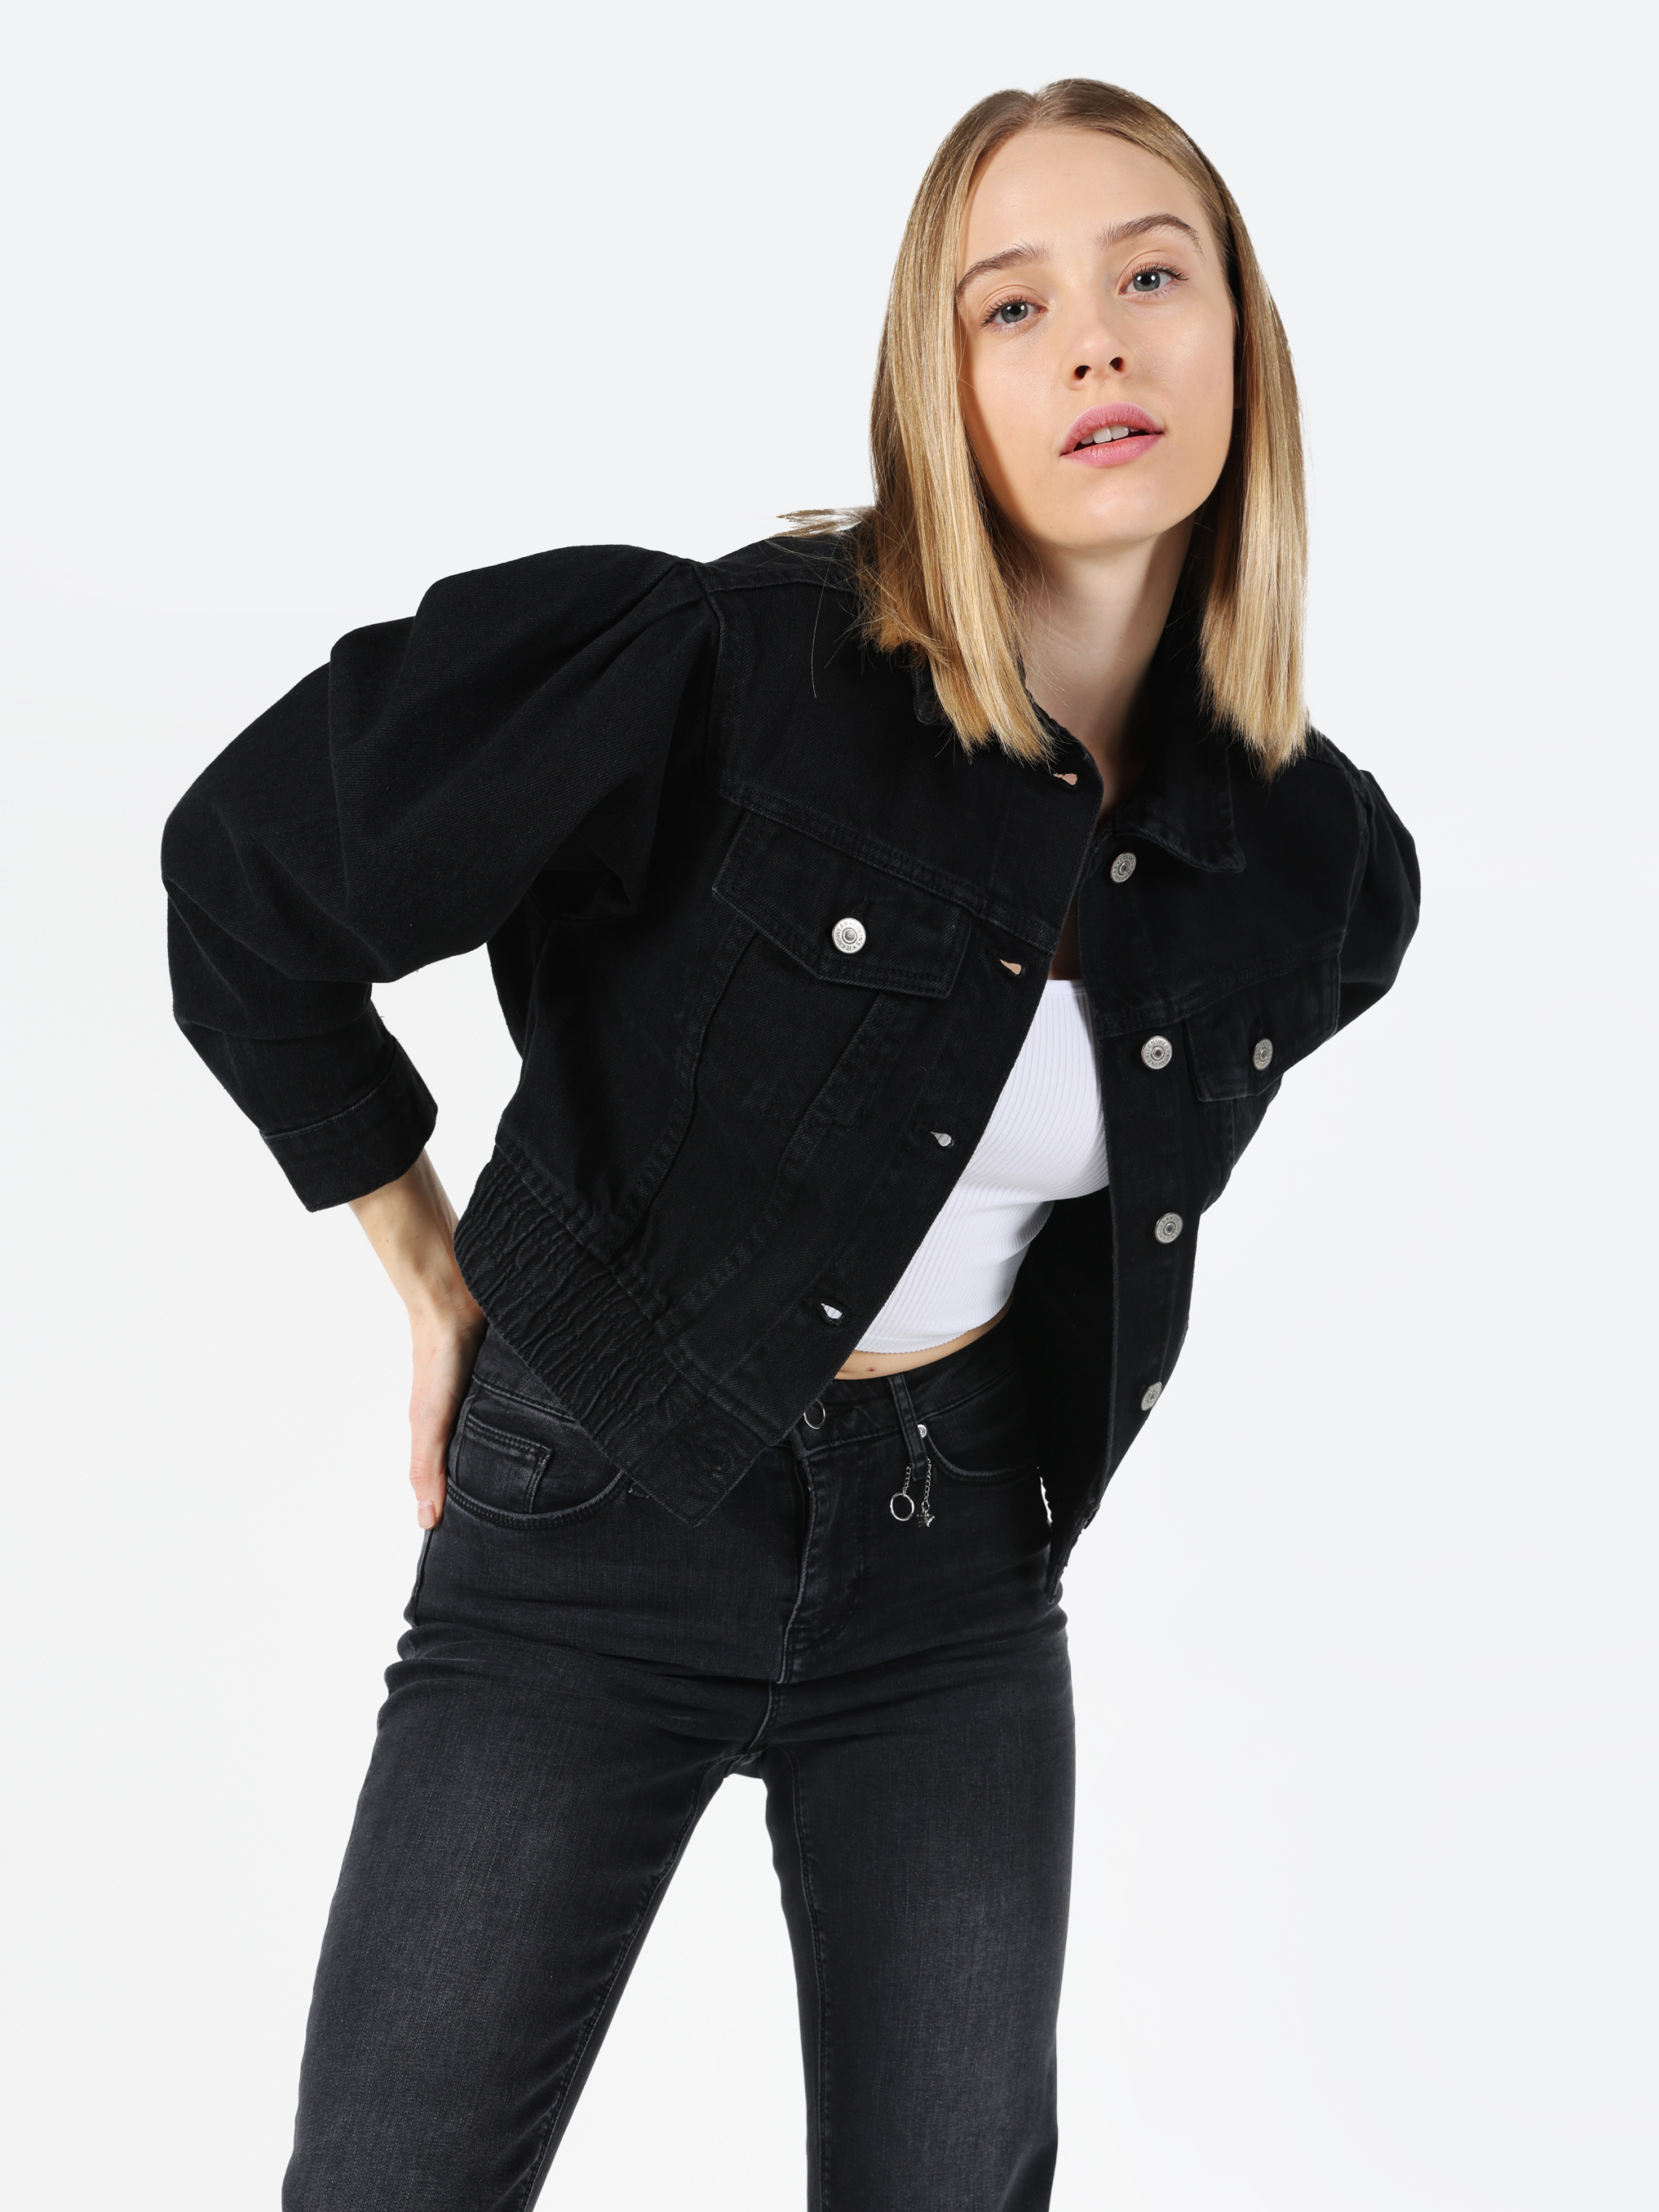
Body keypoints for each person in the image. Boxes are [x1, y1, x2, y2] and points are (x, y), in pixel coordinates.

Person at [162, 77, 1418, 2212]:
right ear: (937, 386)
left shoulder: (1309, 864)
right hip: (592, 1500)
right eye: (1009, 306)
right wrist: (429, 1260)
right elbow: (251, 875)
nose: (1094, 344)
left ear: (1242, 336)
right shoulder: (734, 668)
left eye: (1150, 276)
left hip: (957, 1566)